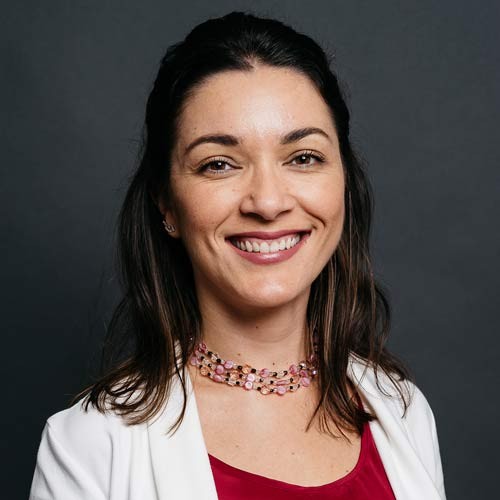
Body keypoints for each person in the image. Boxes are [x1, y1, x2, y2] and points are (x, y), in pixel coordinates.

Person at [29, 11, 446, 500]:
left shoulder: (403, 411)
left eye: (303, 157)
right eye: (219, 164)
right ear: (167, 204)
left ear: (343, 182)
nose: (268, 202)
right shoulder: (89, 444)